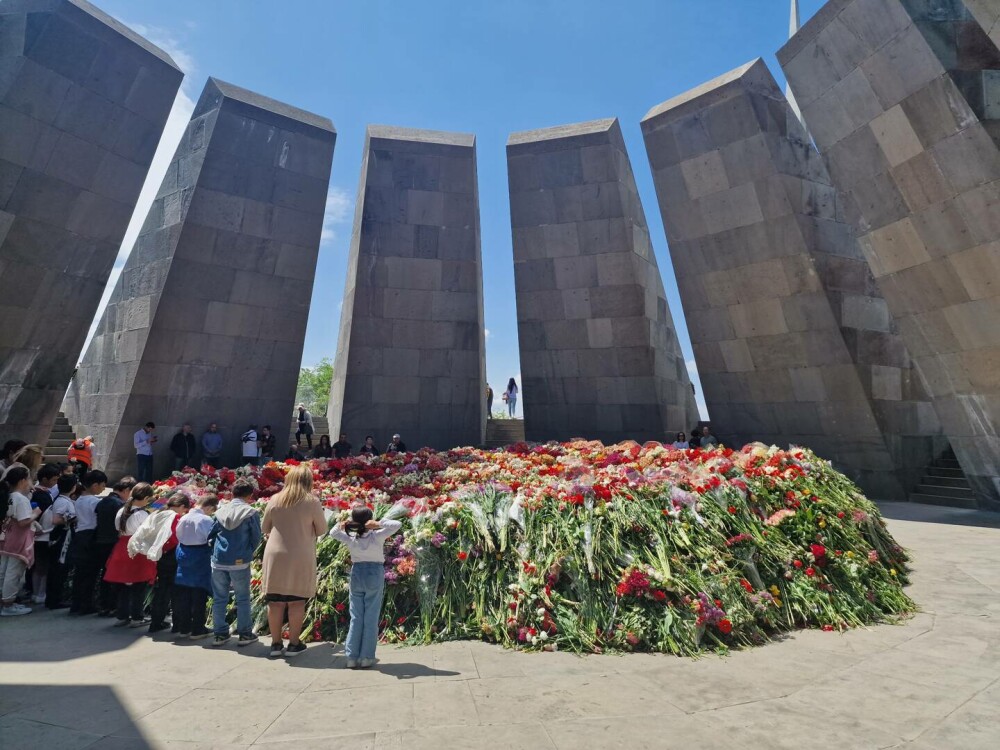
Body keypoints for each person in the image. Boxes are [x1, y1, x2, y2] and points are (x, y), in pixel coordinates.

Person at [261, 464, 327, 657]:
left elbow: (265, 527)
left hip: (275, 554)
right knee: (297, 601)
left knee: (275, 602)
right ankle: (294, 644)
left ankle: (275, 644)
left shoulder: (275, 499)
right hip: (300, 553)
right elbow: (322, 529)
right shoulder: (311, 501)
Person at [330, 506, 402, 668]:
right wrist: (378, 523)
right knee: (371, 616)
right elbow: (396, 525)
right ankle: (366, 657)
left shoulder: (351, 537)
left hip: (357, 573)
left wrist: (344, 524)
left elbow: (333, 533)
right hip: (374, 573)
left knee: (356, 616)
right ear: (369, 519)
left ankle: (351, 657)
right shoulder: (377, 536)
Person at [210, 479, 262, 647]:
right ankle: (245, 633)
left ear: (232, 493)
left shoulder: (220, 511)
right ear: (249, 495)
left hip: (219, 560)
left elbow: (212, 534)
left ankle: (219, 634)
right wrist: (248, 552)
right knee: (242, 598)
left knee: (219, 598)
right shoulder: (250, 513)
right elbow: (256, 537)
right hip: (240, 560)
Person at [103, 483, 158, 627]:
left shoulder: (121, 510)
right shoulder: (142, 514)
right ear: (146, 498)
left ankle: (122, 616)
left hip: (121, 548)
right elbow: (148, 533)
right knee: (138, 586)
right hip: (137, 550)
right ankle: (137, 617)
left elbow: (117, 528)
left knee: (123, 585)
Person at [141, 494, 190, 634]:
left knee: (162, 589)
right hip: (172, 556)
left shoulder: (158, 514)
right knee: (176, 591)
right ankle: (177, 624)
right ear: (181, 507)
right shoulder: (175, 517)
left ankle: (156, 622)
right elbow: (175, 538)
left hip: (160, 556)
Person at [174, 494, 219, 639]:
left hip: (184, 553)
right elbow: (210, 538)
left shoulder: (184, 517)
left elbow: (178, 534)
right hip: (200, 555)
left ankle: (184, 627)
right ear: (210, 507)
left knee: (184, 593)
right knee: (199, 593)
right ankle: (197, 628)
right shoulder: (206, 519)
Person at [0, 466, 40, 616]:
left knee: (3, 571)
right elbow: (24, 521)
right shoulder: (20, 499)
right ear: (23, 480)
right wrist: (35, 513)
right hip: (18, 539)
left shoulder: (9, 495)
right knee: (14, 573)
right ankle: (8, 604)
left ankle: (4, 601)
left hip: (6, 537)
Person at [93, 476, 135, 616]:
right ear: (127, 490)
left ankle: (104, 605)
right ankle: (113, 605)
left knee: (105, 575)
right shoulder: (119, 505)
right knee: (115, 576)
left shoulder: (102, 502)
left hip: (100, 542)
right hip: (113, 543)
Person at [69, 470, 108, 615]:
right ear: (95, 485)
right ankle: (86, 605)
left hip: (79, 536)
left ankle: (77, 604)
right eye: (102, 485)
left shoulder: (78, 499)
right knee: (90, 573)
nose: (103, 488)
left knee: (80, 573)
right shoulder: (95, 502)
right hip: (91, 537)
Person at [29, 464, 61, 605]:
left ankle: (36, 593)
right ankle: (40, 593)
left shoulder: (37, 491)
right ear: (44, 479)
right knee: (42, 567)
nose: (55, 483)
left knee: (38, 567)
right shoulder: (42, 495)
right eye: (53, 480)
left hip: (37, 535)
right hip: (42, 534)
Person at [45, 474, 77, 609]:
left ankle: (54, 598)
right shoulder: (63, 502)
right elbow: (56, 520)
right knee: (58, 569)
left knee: (57, 569)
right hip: (61, 538)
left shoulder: (62, 499)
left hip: (60, 537)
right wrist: (71, 519)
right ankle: (54, 600)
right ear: (73, 487)